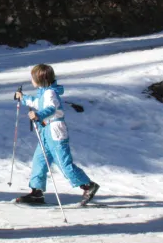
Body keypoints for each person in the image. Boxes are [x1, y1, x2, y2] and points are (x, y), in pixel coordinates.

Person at [14, 64, 99, 207]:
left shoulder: (50, 93)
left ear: (41, 79)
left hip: (56, 132)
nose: (31, 80)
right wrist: (23, 98)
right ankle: (37, 192)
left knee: (63, 163)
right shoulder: (44, 92)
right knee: (39, 161)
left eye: (33, 78)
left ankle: (88, 185)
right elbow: (37, 103)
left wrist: (38, 115)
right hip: (46, 132)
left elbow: (51, 109)